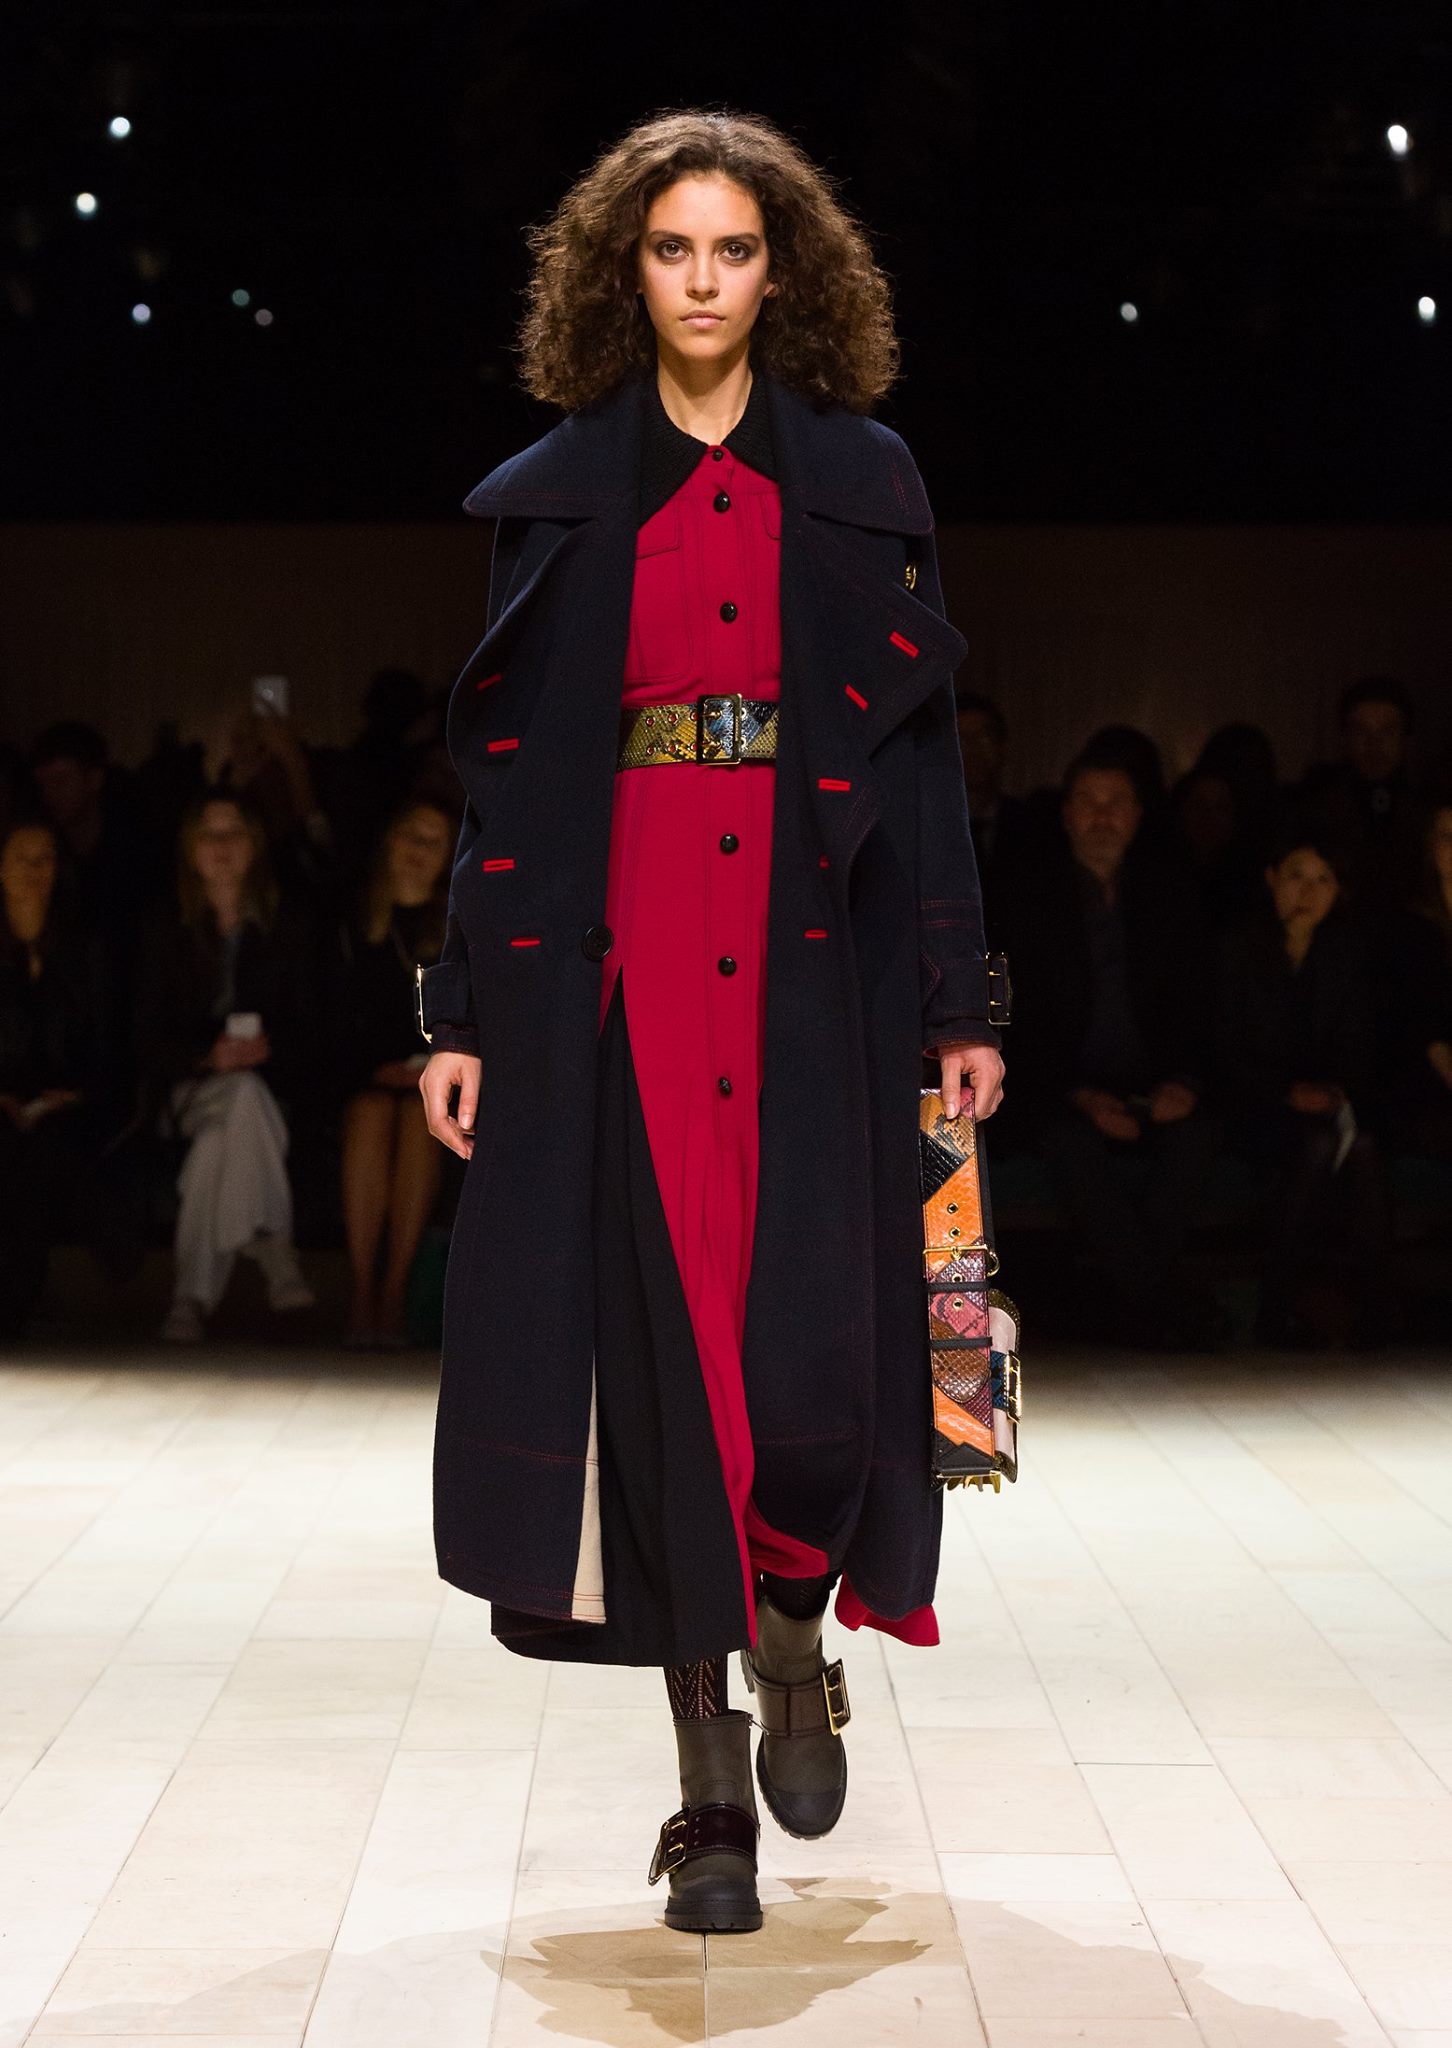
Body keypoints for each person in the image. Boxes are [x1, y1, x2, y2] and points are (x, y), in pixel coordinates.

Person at [415, 109, 1006, 1935]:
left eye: (732, 250)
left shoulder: (863, 480)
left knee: (815, 1360)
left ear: (780, 271)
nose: (699, 281)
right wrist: (459, 1007)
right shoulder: (558, 491)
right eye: (669, 249)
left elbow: (922, 761)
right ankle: (708, 1797)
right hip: (620, 958)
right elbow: (506, 778)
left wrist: (957, 989)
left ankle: (793, 1635)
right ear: (624, 271)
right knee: (661, 1373)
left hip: (817, 948)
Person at [996, 752, 1218, 1346]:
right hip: (1062, 1089)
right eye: (1088, 803)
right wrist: (1083, 1097)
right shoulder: (1031, 899)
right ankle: (1159, 1310)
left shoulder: (1171, 892)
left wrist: (1183, 1084)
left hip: (1155, 1086)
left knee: (1195, 1138)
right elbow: (1023, 1024)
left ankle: (1126, 1309)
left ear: (1139, 814)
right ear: (1066, 815)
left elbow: (1200, 1004)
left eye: (1115, 803)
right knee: (1068, 1144)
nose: (1102, 816)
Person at [132, 791, 319, 1343]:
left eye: (233, 832)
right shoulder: (165, 925)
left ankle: (189, 1301)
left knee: (218, 1143)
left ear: (254, 844)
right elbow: (143, 1037)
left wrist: (268, 1049)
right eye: (209, 834)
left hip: (267, 1092)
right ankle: (270, 1242)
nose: (221, 846)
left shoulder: (286, 923)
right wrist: (205, 1057)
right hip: (187, 1091)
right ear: (190, 848)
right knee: (237, 1097)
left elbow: (315, 1026)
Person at [1215, 833, 1390, 1346]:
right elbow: (1224, 1048)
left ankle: (1377, 1311)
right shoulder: (1238, 949)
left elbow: (1359, 1046)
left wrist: (1334, 1090)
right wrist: (1285, 1093)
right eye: (1296, 877)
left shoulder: (1345, 954)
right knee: (1314, 1146)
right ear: (1272, 879)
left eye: (1323, 881)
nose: (1307, 893)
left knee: (1361, 1148)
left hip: (1322, 1108)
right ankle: (1274, 1308)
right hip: (1253, 1106)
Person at [330, 799, 453, 1347]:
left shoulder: (456, 925)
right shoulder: (352, 920)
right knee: (371, 1111)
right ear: (389, 840)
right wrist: (374, 1067)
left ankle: (394, 1293)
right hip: (361, 1075)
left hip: (434, 1078)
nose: (418, 851)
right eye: (411, 835)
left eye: (433, 841)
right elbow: (331, 1016)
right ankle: (362, 1292)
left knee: (419, 1120)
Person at [0, 818, 126, 1334]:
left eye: (46, 858)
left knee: (46, 1151)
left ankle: (15, 1303)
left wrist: (73, 1095)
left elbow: (107, 1045)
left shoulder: (84, 948)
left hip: (69, 1105)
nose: (36, 870)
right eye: (22, 858)